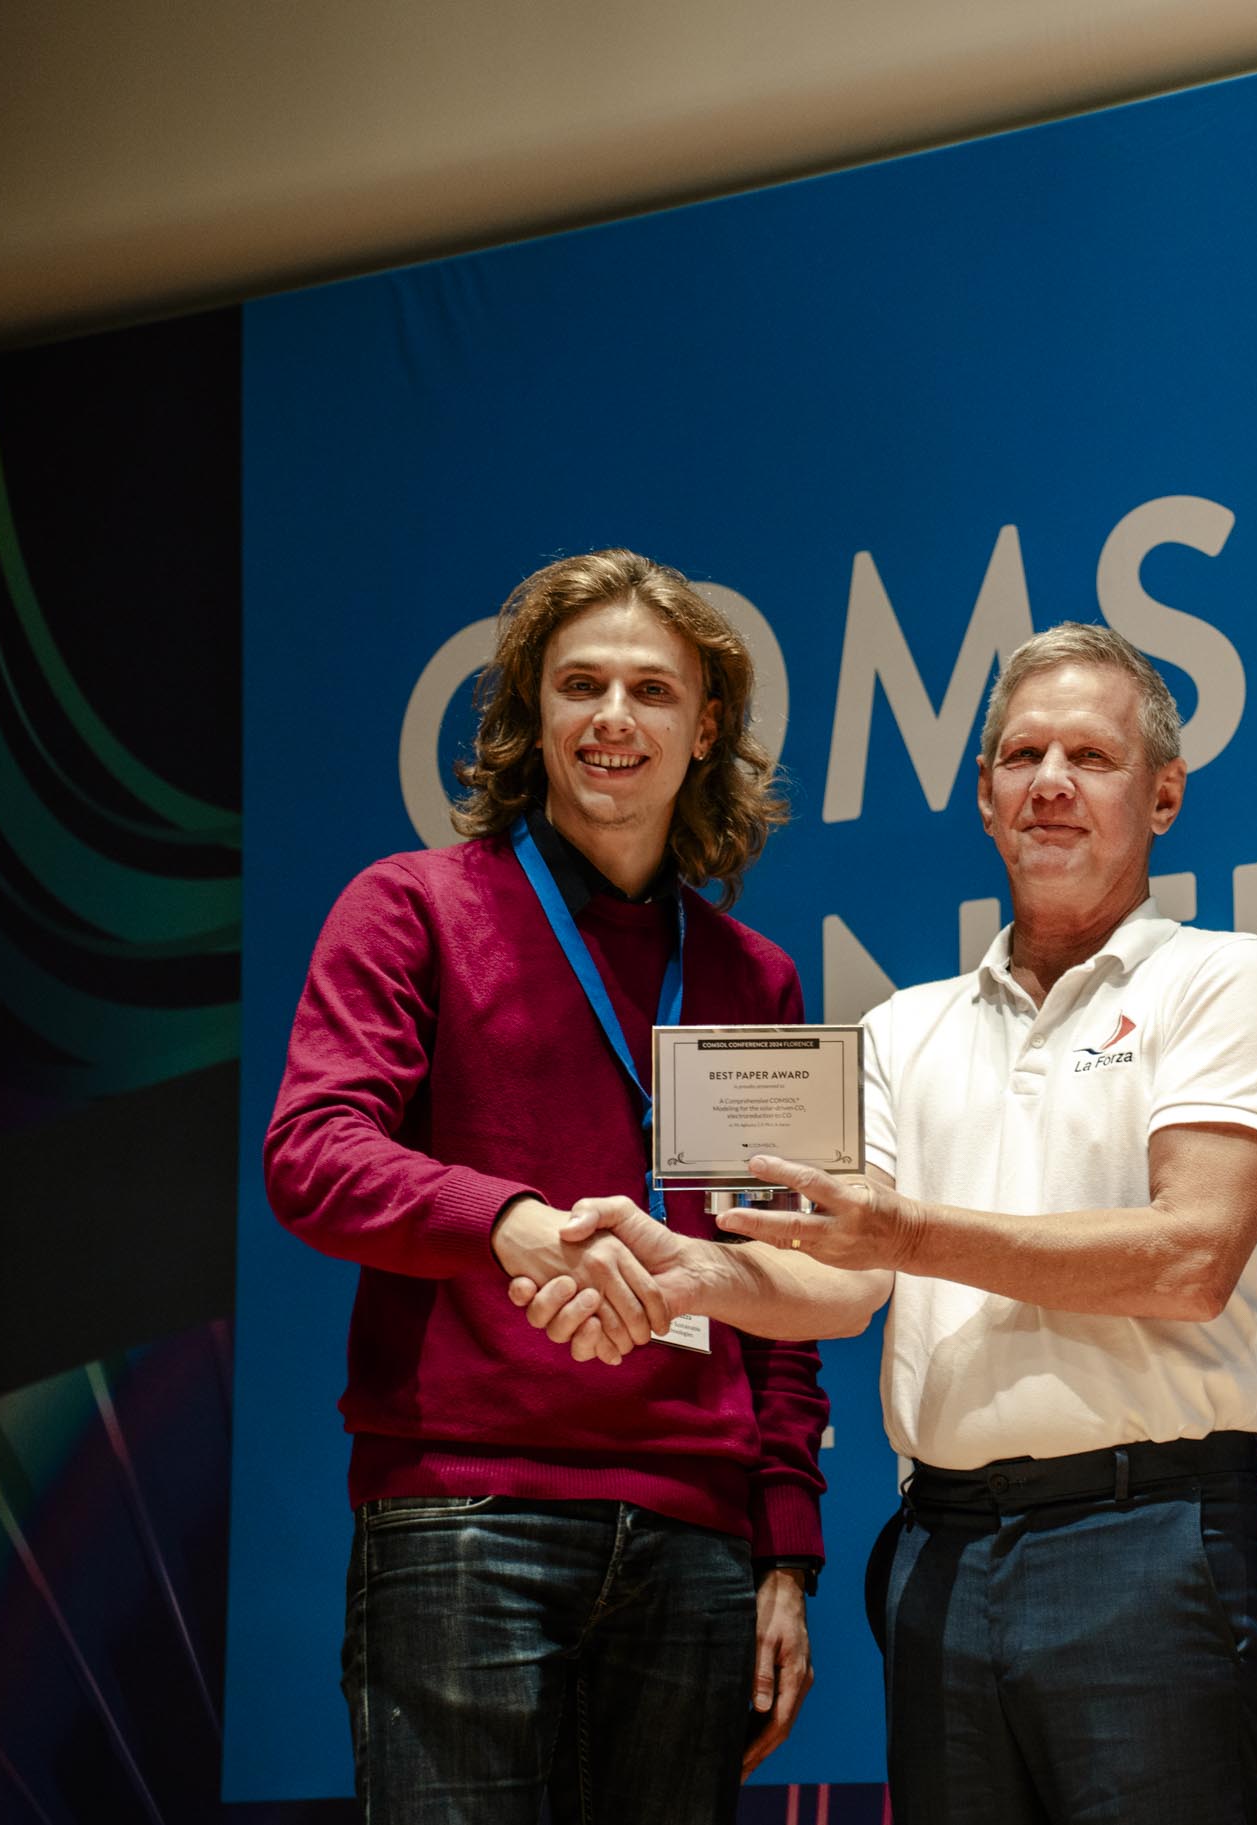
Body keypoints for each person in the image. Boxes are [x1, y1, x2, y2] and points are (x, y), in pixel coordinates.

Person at [513, 622, 1257, 1824]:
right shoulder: (900, 1028)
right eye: (1021, 756)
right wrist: (688, 1274)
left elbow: (1189, 1259)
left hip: (1145, 1535)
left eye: (1090, 757)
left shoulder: (1221, 977)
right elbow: (842, 1285)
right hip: (941, 1550)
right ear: (984, 796)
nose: (1049, 782)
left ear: (1162, 796)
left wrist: (906, 1233)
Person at [265, 550, 836, 1823]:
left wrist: (784, 1551)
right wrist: (508, 1222)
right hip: (466, 1512)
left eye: (651, 689)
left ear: (706, 730)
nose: (612, 717)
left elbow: (781, 1286)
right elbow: (312, 1153)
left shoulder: (752, 980)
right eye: (581, 685)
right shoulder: (409, 908)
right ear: (533, 713)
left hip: (695, 1537)